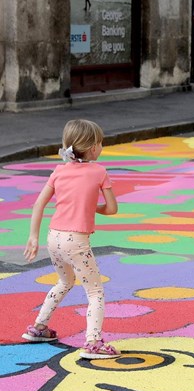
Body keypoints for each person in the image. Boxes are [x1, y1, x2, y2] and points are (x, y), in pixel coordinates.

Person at [21, 119, 120, 360]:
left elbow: (39, 204)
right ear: (94, 148)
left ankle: (39, 327)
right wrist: (91, 207)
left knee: (64, 281)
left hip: (53, 237)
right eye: (100, 143)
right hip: (76, 241)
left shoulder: (59, 171)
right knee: (95, 291)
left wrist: (33, 237)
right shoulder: (99, 171)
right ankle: (93, 342)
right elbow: (112, 209)